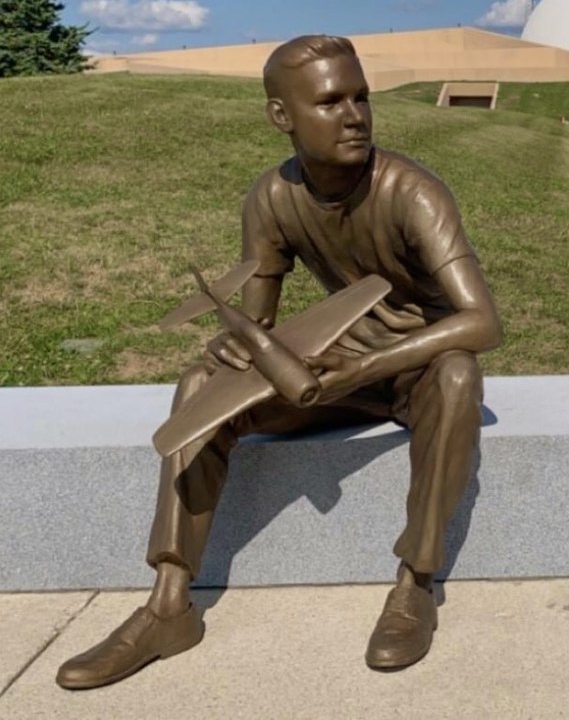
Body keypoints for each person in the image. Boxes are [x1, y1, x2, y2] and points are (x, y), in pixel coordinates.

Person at [56, 35, 503, 689]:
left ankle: (416, 584)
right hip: (338, 368)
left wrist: (362, 369)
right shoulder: (270, 197)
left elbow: (483, 321)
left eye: (361, 97)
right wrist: (233, 347)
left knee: (461, 372)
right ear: (280, 116)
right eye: (329, 101)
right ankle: (169, 605)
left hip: (418, 367)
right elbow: (257, 326)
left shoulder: (414, 192)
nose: (354, 115)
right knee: (200, 384)